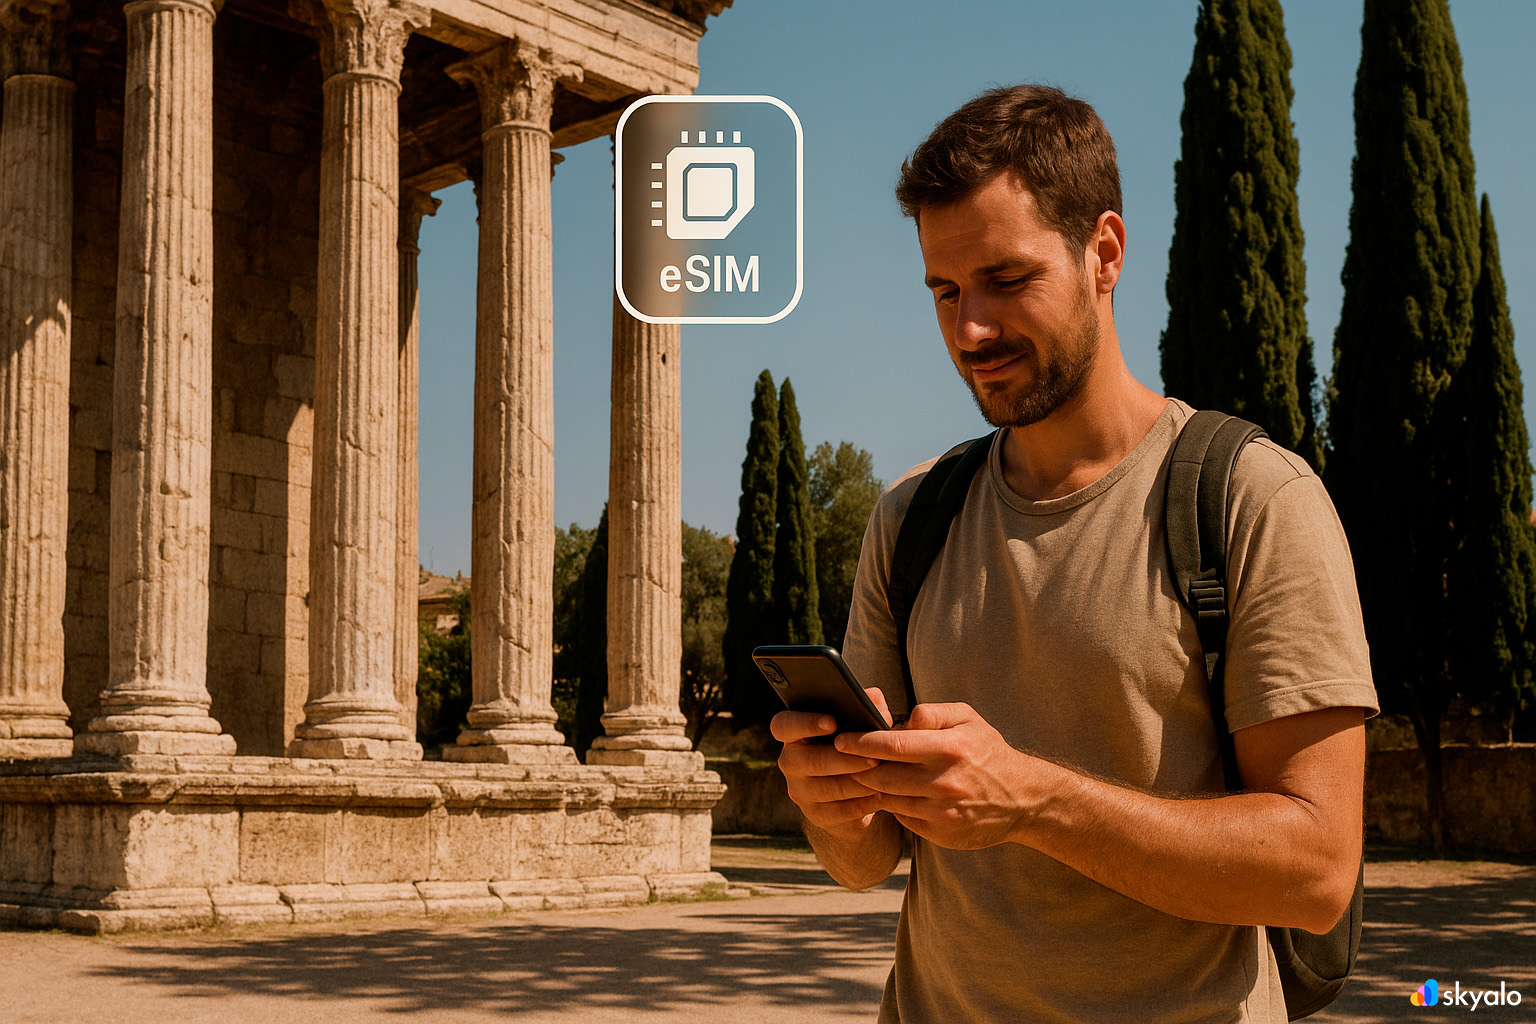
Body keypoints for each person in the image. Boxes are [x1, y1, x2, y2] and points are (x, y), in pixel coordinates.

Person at [771, 85, 1379, 1023]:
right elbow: (864, 864)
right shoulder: (911, 518)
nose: (969, 330)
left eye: (1006, 281)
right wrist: (832, 803)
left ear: (1104, 253)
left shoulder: (1254, 500)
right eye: (944, 291)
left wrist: (1033, 802)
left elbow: (1317, 870)